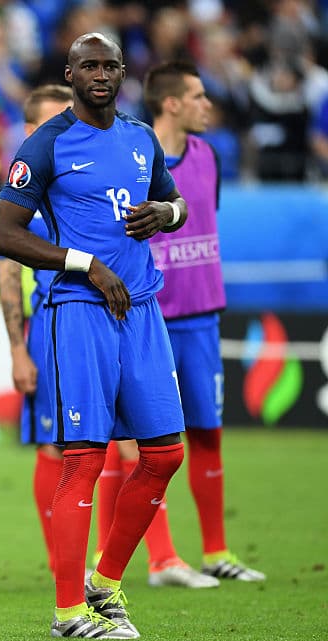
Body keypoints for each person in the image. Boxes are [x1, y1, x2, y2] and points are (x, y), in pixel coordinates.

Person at [0, 33, 189, 640]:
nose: (100, 74)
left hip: (141, 309)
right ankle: (68, 613)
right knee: (84, 458)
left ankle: (104, 582)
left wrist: (168, 215)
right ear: (71, 74)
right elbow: (5, 235)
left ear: (122, 73)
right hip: (76, 311)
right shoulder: (45, 144)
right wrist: (83, 263)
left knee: (164, 453)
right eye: (88, 66)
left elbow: (173, 200)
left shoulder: (139, 138)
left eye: (109, 66)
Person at [131, 60, 263, 581]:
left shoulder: (209, 154)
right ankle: (163, 558)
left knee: (208, 433)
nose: (209, 105)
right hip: (153, 320)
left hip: (203, 318)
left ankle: (217, 553)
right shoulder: (136, 160)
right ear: (171, 103)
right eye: (199, 96)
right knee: (155, 440)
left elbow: (206, 218)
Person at [0, 84, 72, 578]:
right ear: (29, 131)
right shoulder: (23, 189)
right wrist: (19, 350)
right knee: (55, 444)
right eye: (56, 120)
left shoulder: (83, 176)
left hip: (106, 318)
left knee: (124, 442)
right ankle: (61, 560)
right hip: (51, 323)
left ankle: (111, 558)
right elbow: (8, 276)